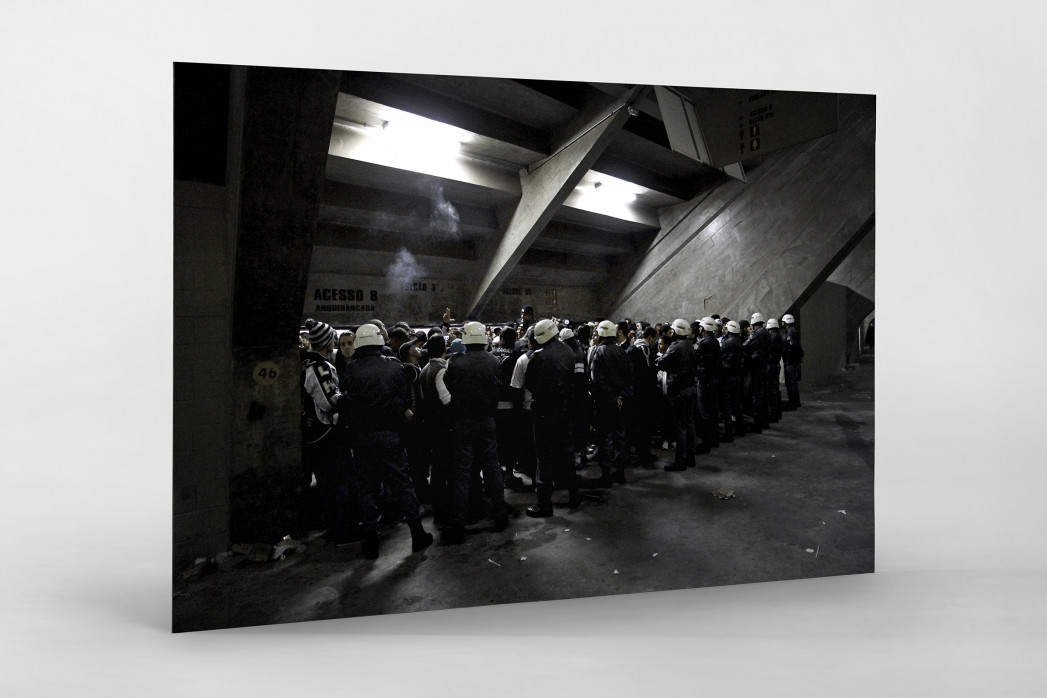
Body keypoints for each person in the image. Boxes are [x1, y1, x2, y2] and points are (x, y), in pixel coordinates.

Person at [341, 324, 433, 560]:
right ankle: (417, 534)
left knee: (367, 488)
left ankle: (371, 543)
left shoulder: (350, 371)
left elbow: (347, 403)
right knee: (403, 484)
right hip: (390, 436)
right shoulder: (394, 368)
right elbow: (403, 400)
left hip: (362, 439)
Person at [437, 321, 510, 544]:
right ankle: (500, 516)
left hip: (463, 423)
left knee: (462, 473)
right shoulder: (494, 361)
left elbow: (448, 387)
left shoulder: (456, 362)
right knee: (492, 469)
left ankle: (458, 523)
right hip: (487, 421)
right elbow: (498, 389)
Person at [300, 319, 356, 545]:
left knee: (326, 485)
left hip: (313, 434)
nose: (336, 343)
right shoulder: (319, 365)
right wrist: (350, 399)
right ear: (325, 342)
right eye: (333, 339)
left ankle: (332, 528)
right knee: (341, 482)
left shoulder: (304, 364)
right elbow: (330, 400)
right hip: (327, 435)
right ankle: (343, 530)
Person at [524, 319, 579, 517]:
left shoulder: (539, 357)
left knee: (544, 458)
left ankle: (544, 504)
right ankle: (574, 495)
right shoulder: (568, 351)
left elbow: (528, 383)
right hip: (565, 411)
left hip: (545, 413)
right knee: (567, 454)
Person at [589, 320, 632, 486]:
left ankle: (606, 475)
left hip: (604, 402)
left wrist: (611, 396)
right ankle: (620, 472)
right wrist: (620, 396)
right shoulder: (622, 352)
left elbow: (596, 380)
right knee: (620, 436)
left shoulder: (598, 352)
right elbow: (629, 376)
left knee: (605, 438)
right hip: (620, 401)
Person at [657, 319, 698, 471]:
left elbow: (662, 363)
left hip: (679, 390)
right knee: (690, 423)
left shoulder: (675, 347)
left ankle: (680, 461)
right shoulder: (690, 345)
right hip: (690, 388)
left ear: (674, 332)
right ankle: (691, 457)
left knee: (680, 427)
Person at [694, 317, 722, 452]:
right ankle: (714, 439)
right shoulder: (715, 342)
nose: (699, 329)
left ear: (704, 329)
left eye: (701, 327)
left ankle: (706, 443)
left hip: (705, 380)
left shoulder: (703, 343)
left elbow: (694, 357)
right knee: (713, 410)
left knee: (704, 412)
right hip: (715, 379)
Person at [742, 313, 771, 433]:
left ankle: (758, 425)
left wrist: (749, 335)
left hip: (757, 367)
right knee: (763, 395)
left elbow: (746, 346)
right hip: (764, 366)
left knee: (756, 396)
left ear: (753, 324)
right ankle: (765, 422)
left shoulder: (757, 333)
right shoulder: (766, 332)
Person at [718, 320, 746, 440]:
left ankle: (728, 432)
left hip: (728, 376)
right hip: (737, 376)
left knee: (727, 405)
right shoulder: (739, 342)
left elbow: (720, 358)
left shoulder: (726, 343)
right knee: (737, 403)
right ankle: (740, 428)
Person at [781, 314, 804, 410]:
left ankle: (793, 402)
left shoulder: (790, 332)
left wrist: (784, 351)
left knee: (791, 382)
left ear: (786, 322)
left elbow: (792, 346)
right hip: (791, 360)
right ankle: (795, 401)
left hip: (790, 360)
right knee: (792, 381)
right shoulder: (791, 330)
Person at [765, 318, 784, 422]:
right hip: (775, 365)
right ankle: (777, 413)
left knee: (772, 391)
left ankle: (774, 414)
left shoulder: (773, 337)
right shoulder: (778, 336)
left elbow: (768, 350)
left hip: (771, 365)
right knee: (775, 390)